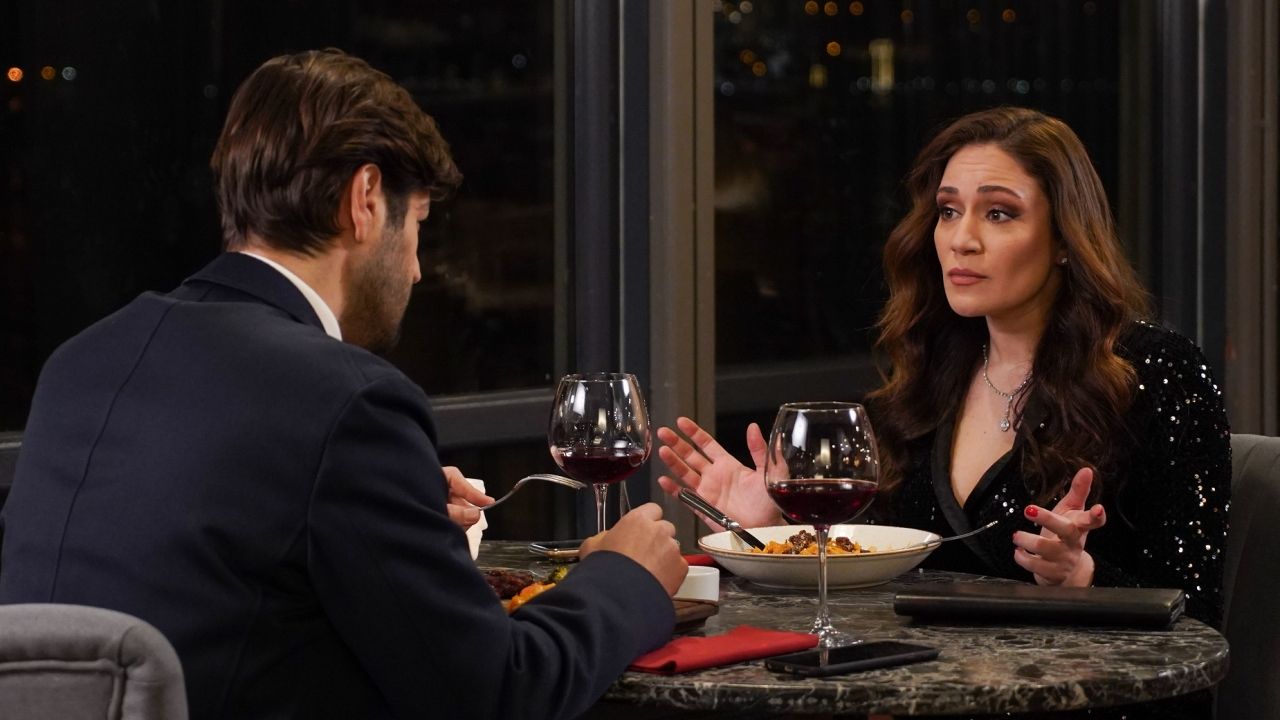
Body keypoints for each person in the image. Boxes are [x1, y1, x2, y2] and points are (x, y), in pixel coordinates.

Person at [0, 49, 686, 720]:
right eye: (418, 225)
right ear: (365, 200)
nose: (417, 270)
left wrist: (396, 503)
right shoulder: (347, 400)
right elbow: (498, 691)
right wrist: (625, 577)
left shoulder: (80, 362)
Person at [657, 107, 1230, 630]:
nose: (962, 239)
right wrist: (777, 533)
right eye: (949, 211)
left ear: (1064, 238)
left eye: (999, 213)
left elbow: (1197, 611)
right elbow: (877, 585)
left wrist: (1081, 577)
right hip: (918, 681)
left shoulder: (1156, 369)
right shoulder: (931, 373)